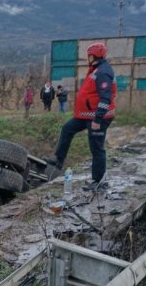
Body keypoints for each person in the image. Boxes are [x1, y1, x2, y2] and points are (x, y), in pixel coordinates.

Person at [47, 42, 116, 190]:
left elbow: (106, 98)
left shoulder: (103, 72)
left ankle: (99, 182)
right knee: (67, 129)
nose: (88, 58)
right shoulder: (95, 70)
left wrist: (98, 119)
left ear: (95, 55)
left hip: (97, 118)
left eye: (89, 55)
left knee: (97, 149)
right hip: (86, 116)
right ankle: (59, 159)